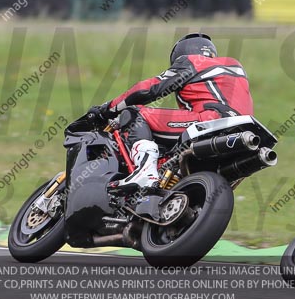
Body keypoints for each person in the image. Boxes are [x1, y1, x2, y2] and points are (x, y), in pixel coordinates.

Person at [89, 33, 254, 192]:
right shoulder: (234, 65)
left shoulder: (192, 61)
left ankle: (145, 172)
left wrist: (107, 109)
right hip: (246, 130)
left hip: (212, 120)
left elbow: (148, 90)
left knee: (134, 114)